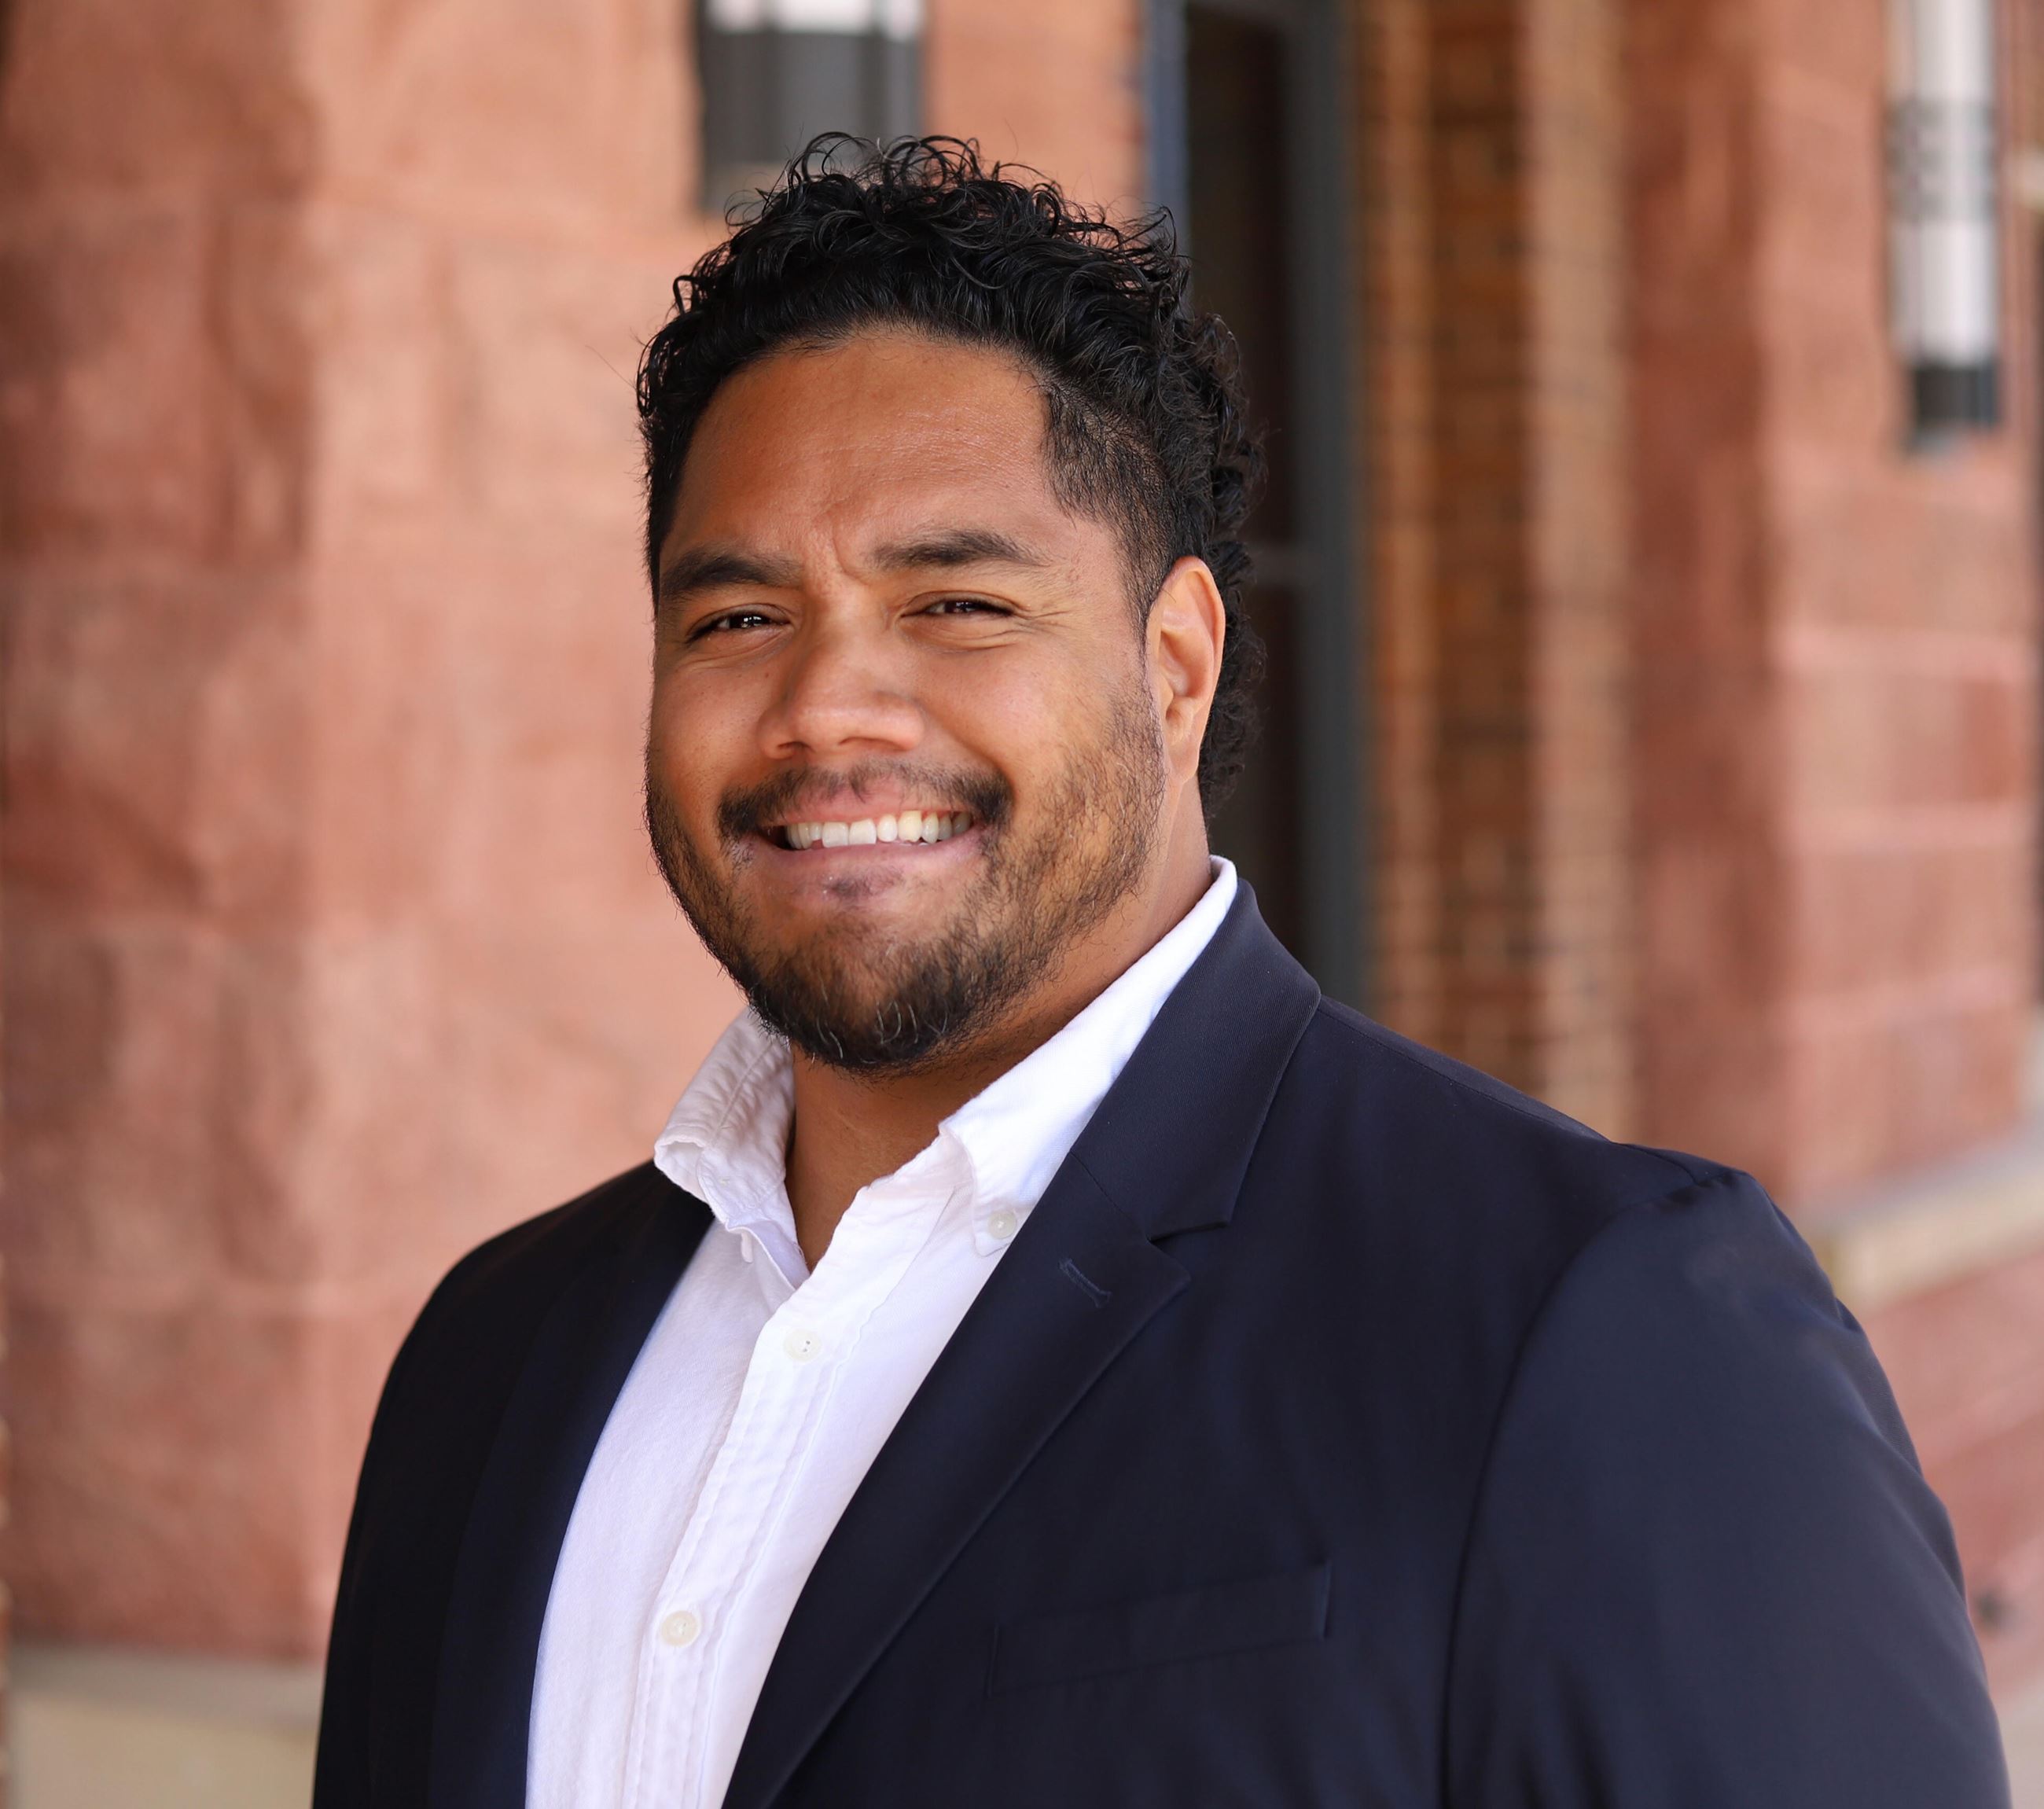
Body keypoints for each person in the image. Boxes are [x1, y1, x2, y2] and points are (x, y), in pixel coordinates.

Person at [313, 138, 2009, 1809]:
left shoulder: (1602, 1328)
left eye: (957, 603)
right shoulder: (493, 1359)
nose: (825, 707)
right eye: (737, 620)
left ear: (1176, 667)